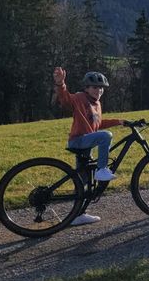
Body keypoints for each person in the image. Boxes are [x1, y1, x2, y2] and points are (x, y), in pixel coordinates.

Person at [52, 67, 124, 226]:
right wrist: (61, 83)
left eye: (101, 88)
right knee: (106, 136)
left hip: (86, 144)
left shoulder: (96, 104)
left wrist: (118, 122)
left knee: (83, 180)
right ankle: (102, 170)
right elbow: (65, 100)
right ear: (86, 88)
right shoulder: (80, 97)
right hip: (78, 140)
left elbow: (97, 124)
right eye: (95, 87)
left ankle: (78, 214)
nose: (98, 90)